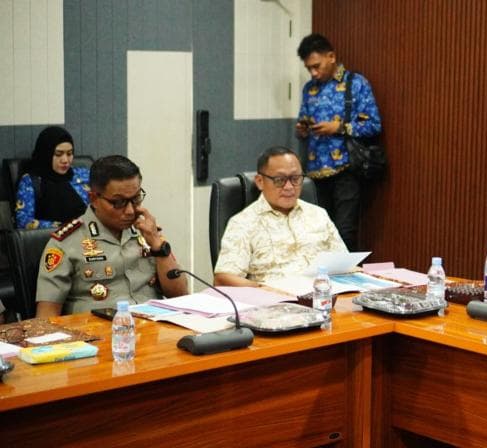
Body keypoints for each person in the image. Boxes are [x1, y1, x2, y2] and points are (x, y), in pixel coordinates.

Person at [35, 155, 188, 317]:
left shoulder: (147, 233)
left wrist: (158, 247)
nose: (130, 211)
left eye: (136, 199)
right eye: (119, 202)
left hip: (153, 326)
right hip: (100, 329)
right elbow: (46, 316)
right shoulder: (66, 243)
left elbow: (181, 295)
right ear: (94, 199)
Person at [295, 33, 382, 250]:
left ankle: (346, 272)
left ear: (331, 57)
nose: (313, 73)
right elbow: (303, 121)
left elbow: (374, 125)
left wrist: (340, 127)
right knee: (316, 233)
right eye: (309, 69)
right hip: (315, 172)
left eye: (316, 66)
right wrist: (302, 129)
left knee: (344, 231)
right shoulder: (309, 89)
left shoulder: (356, 84)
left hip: (345, 170)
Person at [214, 146, 347, 287]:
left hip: (323, 294)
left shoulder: (318, 214)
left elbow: (343, 263)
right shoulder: (243, 223)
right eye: (279, 180)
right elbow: (223, 279)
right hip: (274, 297)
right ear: (260, 181)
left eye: (295, 178)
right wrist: (264, 289)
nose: (289, 187)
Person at [15, 126, 90, 229]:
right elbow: (24, 222)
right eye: (58, 154)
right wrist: (66, 227)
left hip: (89, 235)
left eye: (69, 154)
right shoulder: (30, 181)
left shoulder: (83, 175)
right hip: (51, 237)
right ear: (46, 154)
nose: (65, 160)